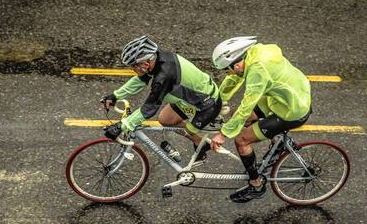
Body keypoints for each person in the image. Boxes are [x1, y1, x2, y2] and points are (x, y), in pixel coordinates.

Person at [210, 36, 312, 203]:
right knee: (248, 120)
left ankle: (256, 185)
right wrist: (218, 101)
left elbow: (246, 106)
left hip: (291, 110)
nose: (226, 74)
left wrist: (223, 134)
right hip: (291, 95)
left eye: (226, 70)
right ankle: (278, 142)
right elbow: (233, 78)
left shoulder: (258, 70)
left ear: (236, 64)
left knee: (241, 140)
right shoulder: (253, 53)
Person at [102, 35, 221, 163]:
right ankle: (200, 142)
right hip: (195, 96)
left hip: (206, 105)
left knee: (189, 129)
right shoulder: (157, 57)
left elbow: (149, 108)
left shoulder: (163, 76)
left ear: (145, 63)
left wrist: (123, 126)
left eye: (133, 66)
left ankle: (201, 139)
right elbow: (141, 80)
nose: (132, 69)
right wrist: (116, 95)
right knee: (165, 119)